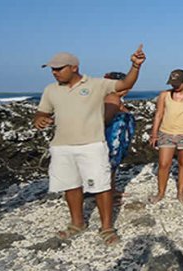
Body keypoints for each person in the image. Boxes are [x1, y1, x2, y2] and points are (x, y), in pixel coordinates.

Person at [33, 45, 146, 246]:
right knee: (70, 185)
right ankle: (77, 223)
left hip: (92, 145)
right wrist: (40, 119)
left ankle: (107, 228)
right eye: (52, 69)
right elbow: (42, 112)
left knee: (101, 187)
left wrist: (135, 66)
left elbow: (124, 84)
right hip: (62, 146)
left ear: (74, 67)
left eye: (59, 69)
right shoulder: (50, 90)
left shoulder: (96, 84)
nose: (54, 72)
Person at [148, 69, 183, 203]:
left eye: (178, 84)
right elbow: (159, 114)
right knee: (163, 164)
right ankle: (160, 193)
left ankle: (180, 192)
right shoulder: (164, 95)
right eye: (172, 84)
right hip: (166, 132)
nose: (174, 86)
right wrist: (154, 134)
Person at [103, 72, 136, 206]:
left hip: (117, 137)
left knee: (113, 166)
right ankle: (107, 194)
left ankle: (112, 190)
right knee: (108, 165)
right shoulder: (112, 98)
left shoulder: (116, 98)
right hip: (112, 137)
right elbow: (106, 119)